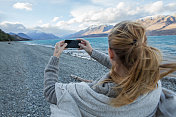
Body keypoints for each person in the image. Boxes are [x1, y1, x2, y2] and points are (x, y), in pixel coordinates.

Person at [44, 21, 176, 117]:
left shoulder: (91, 93)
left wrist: (56, 56)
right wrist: (91, 52)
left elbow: (50, 91)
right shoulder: (153, 82)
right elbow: (122, 65)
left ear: (110, 52)